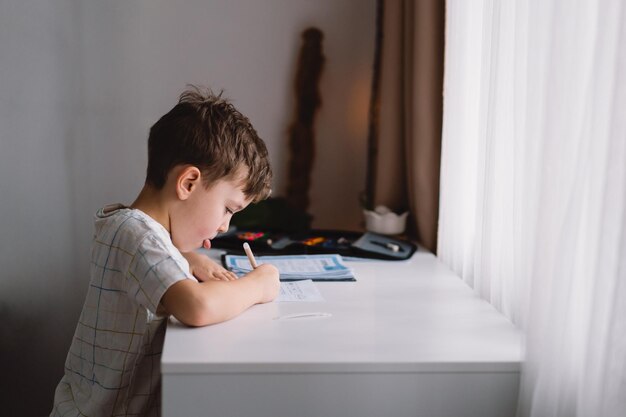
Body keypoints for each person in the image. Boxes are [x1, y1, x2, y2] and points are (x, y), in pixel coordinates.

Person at [50, 86, 280, 416]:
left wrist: (187, 258)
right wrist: (259, 284)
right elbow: (198, 307)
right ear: (188, 183)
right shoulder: (136, 234)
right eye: (228, 209)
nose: (224, 227)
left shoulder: (124, 224)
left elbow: (149, 250)